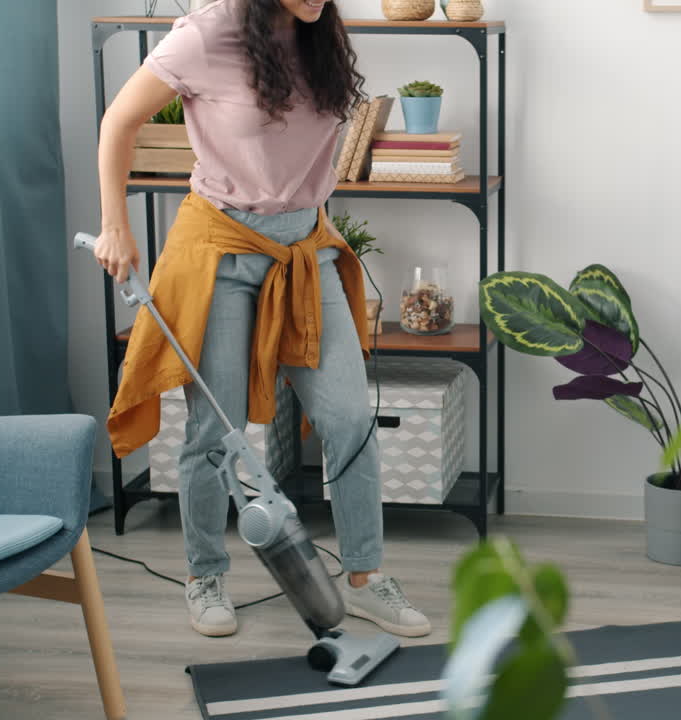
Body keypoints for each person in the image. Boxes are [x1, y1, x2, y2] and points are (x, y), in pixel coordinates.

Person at [92, 0, 430, 639]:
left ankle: (364, 578)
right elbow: (119, 120)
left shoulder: (321, 34)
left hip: (304, 250)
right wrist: (116, 224)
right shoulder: (208, 32)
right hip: (220, 248)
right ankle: (204, 575)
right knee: (215, 431)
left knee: (350, 419)